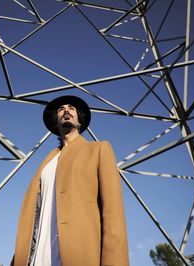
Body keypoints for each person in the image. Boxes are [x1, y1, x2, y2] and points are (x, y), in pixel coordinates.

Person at [12, 95, 129, 266]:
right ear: (55, 122)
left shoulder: (98, 149)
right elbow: (32, 218)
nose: (66, 110)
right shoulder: (45, 164)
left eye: (71, 108)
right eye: (61, 109)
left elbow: (114, 215)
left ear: (79, 121)